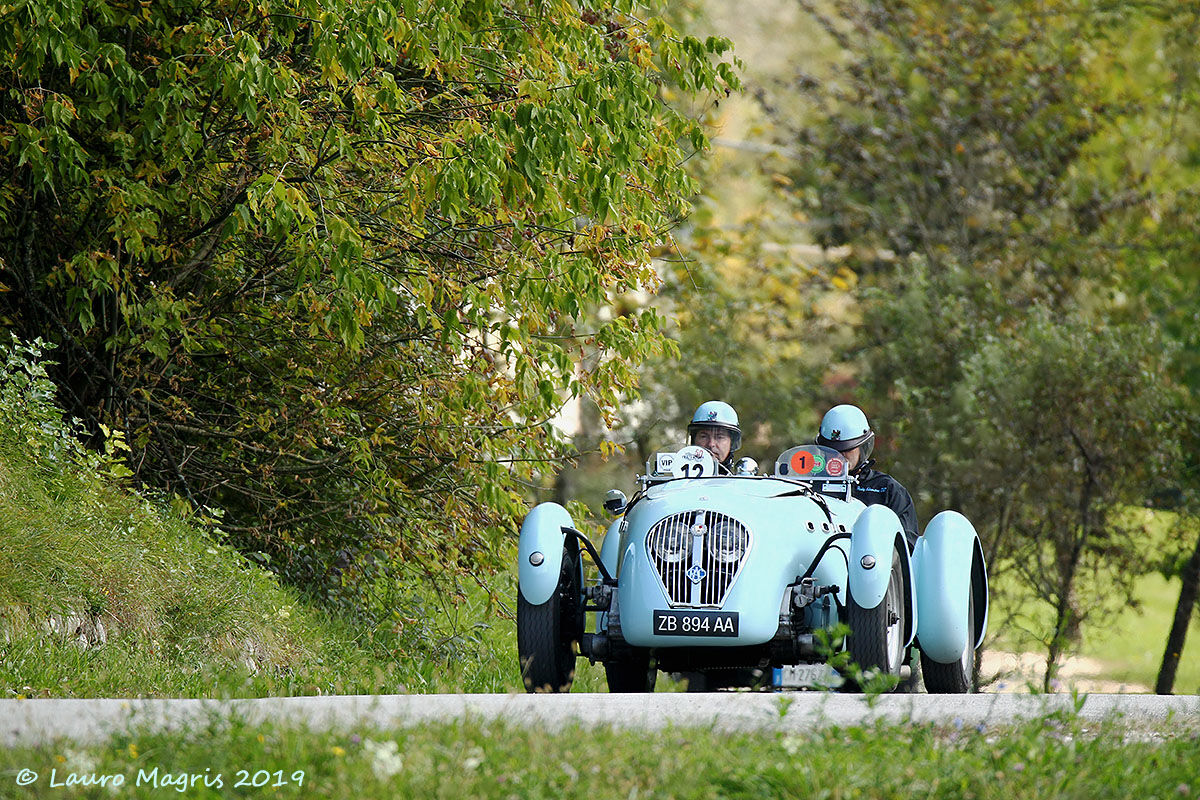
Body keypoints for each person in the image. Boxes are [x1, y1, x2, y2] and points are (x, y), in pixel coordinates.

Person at [816, 404, 919, 550]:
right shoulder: (809, 486)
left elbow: (906, 547)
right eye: (831, 450)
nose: (839, 456)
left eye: (847, 449)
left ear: (863, 447)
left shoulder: (887, 490)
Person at [686, 400, 742, 473]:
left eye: (720, 437)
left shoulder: (740, 479)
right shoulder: (678, 478)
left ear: (731, 443)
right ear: (694, 440)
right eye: (704, 436)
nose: (711, 444)